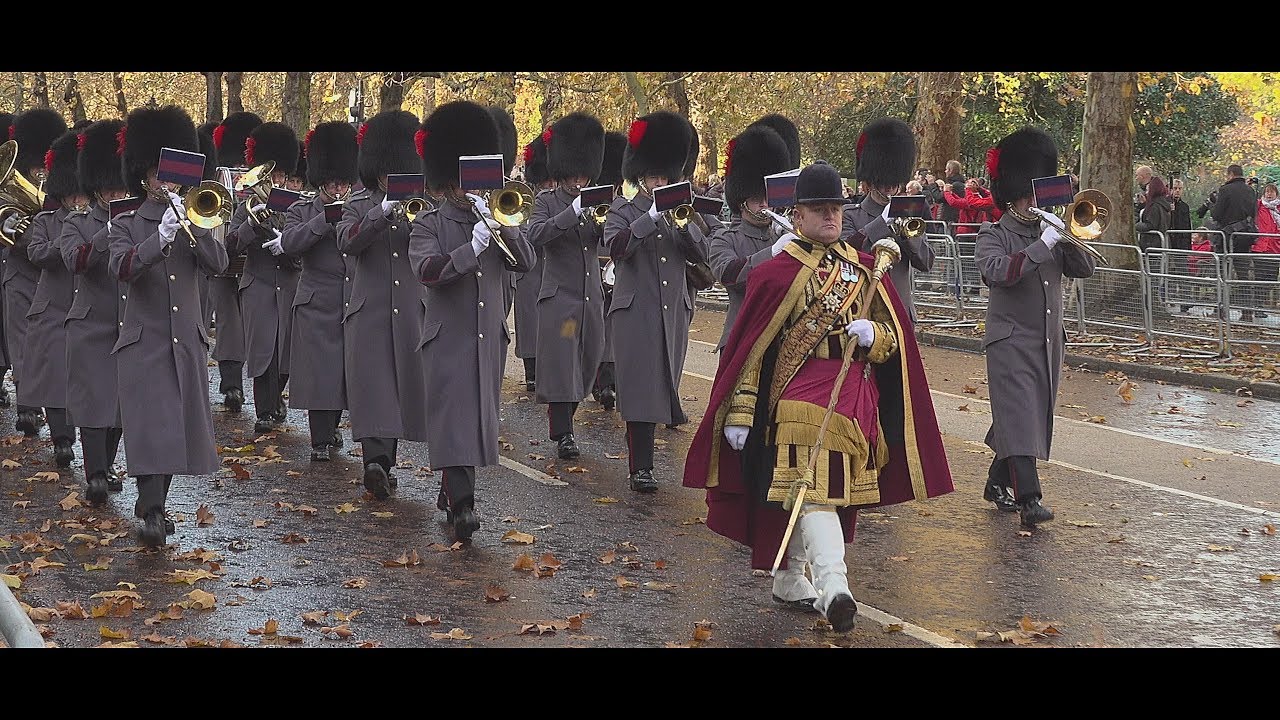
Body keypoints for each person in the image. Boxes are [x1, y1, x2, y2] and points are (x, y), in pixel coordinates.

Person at [683, 159, 953, 631]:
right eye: (820, 209)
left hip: (852, 402)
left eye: (836, 208)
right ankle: (834, 588)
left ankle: (790, 575)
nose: (831, 216)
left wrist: (875, 335)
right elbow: (755, 352)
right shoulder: (775, 273)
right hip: (795, 399)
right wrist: (741, 412)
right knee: (814, 489)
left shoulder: (864, 270)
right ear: (799, 215)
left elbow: (894, 342)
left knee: (813, 491)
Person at [409, 100, 536, 540]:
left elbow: (527, 263)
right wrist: (472, 248)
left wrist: (506, 229)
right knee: (454, 418)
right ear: (449, 181)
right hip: (447, 336)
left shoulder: (498, 217)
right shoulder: (429, 224)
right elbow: (428, 271)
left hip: (487, 337)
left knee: (476, 420)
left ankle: (452, 491)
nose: (473, 189)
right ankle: (463, 506)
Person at [108, 105, 229, 547]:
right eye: (160, 176)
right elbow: (121, 267)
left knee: (178, 427)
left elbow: (219, 264)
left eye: (173, 177)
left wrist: (193, 230)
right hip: (145, 338)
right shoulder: (125, 222)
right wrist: (158, 238)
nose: (167, 184)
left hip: (186, 340)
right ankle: (154, 508)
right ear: (143, 176)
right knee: (150, 425)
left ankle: (154, 504)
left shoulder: (195, 217)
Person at [974, 127, 1096, 527]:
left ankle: (997, 482)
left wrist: (1068, 236)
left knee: (1024, 416)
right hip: (1009, 342)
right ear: (1012, 195)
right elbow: (999, 272)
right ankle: (1030, 499)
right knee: (1021, 415)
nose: (1033, 203)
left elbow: (1085, 269)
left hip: (1047, 342)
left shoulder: (1051, 233)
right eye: (1027, 196)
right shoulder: (994, 234)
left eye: (1036, 196)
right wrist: (1042, 245)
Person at [604, 111, 709, 493]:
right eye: (654, 177)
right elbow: (616, 246)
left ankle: (646, 459)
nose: (660, 183)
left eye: (665, 177)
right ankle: (641, 468)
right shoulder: (623, 209)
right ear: (642, 176)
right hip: (637, 310)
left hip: (672, 311)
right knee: (640, 389)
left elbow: (702, 254)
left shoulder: (681, 211)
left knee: (662, 382)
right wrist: (650, 217)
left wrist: (684, 227)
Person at [335, 109, 430, 501]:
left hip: (410, 309)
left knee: (401, 388)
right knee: (374, 388)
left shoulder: (422, 203)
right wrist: (381, 212)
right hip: (370, 309)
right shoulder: (359, 203)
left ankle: (384, 465)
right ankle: (375, 463)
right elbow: (347, 241)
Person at [525, 112, 606, 461]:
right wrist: (572, 212)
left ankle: (564, 423)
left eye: (583, 176)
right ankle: (564, 432)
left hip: (590, 299)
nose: (578, 181)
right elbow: (536, 234)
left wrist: (601, 223)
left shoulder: (598, 201)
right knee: (564, 363)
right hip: (562, 300)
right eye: (573, 176)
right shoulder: (547, 201)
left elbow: (610, 243)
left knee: (587, 361)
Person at [280, 121, 357, 461]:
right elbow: (290, 244)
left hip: (349, 299)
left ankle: (332, 427)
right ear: (321, 181)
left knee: (341, 372)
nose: (338, 189)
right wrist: (323, 220)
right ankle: (320, 439)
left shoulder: (356, 207)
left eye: (343, 183)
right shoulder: (301, 209)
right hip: (316, 300)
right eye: (332, 183)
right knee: (320, 373)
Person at [61, 119, 128, 505]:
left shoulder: (137, 221)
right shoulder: (78, 223)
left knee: (118, 406)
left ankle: (107, 463)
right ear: (97, 187)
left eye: (120, 187)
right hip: (90, 323)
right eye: (109, 188)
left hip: (127, 323)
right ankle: (96, 474)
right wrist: (109, 231)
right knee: (93, 405)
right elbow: (76, 261)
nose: (116, 193)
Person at [225, 121, 301, 434]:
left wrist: (289, 242)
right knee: (263, 351)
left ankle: (275, 397)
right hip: (258, 283)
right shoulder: (248, 207)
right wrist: (251, 225)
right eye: (272, 175)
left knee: (286, 352)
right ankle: (264, 410)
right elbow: (230, 245)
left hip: (290, 282)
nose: (277, 180)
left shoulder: (298, 206)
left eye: (281, 175)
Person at [24, 127, 87, 469]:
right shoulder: (46, 221)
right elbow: (37, 254)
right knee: (55, 376)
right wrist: (67, 235)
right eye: (72, 195)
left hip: (86, 307)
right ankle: (62, 439)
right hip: (53, 307)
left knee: (84, 378)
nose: (77, 200)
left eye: (81, 194)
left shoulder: (98, 220)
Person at [4, 109, 66, 437]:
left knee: (53, 349)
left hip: (53, 278)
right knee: (23, 345)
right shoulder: (11, 188)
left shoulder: (62, 189)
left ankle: (58, 423)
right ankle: (27, 408)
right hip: (21, 276)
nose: (41, 171)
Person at [839, 117, 936, 322]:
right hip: (865, 312)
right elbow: (848, 254)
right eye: (884, 184)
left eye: (894, 184)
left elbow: (926, 262)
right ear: (871, 181)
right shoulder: (850, 214)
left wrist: (909, 235)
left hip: (900, 312)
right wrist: (883, 223)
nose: (890, 188)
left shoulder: (909, 213)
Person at [707, 122, 792, 352]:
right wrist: (773, 252)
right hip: (741, 337)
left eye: (767, 197)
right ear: (741, 201)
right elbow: (729, 274)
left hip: (781, 340)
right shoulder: (726, 238)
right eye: (757, 199)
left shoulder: (783, 236)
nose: (764, 205)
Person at [209, 111, 263, 413]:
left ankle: (266, 391)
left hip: (255, 258)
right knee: (228, 322)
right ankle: (232, 385)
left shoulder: (260, 178)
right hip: (223, 254)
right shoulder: (220, 178)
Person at [591, 131, 627, 412]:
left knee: (613, 328)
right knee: (596, 328)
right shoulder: (590, 201)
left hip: (617, 270)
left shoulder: (624, 205)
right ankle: (598, 379)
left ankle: (608, 382)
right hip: (594, 269)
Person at [514, 130, 550, 392]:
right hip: (531, 269)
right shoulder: (525, 199)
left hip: (555, 268)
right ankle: (532, 369)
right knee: (530, 322)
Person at [1211, 164, 1262, 320]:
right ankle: (1247, 312)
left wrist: (1213, 204)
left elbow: (1217, 214)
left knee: (1222, 274)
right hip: (1244, 237)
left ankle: (1220, 310)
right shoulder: (1250, 191)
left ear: (1231, 174)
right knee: (1243, 274)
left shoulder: (1225, 190)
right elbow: (1254, 213)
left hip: (1226, 237)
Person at [1250, 182, 1280, 318]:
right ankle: (1257, 305)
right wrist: (1250, 187)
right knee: (1260, 276)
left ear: (1276, 194)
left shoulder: (1278, 208)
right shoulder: (1259, 205)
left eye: (1272, 191)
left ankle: (1260, 302)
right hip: (1261, 247)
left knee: (1271, 277)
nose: (1269, 194)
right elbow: (1249, 202)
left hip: (1275, 248)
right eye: (1267, 191)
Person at [1135, 175, 1172, 252]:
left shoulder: (1155, 206)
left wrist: (1135, 225)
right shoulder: (1162, 204)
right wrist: (1143, 205)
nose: (1146, 193)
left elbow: (1151, 225)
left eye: (1148, 190)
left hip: (1151, 244)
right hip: (1158, 243)